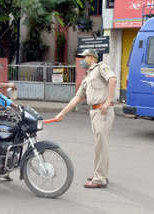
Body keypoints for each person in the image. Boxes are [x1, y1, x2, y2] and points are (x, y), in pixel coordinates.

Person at [54, 49, 117, 188]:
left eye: (84, 57)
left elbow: (112, 79)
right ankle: (100, 174)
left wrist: (108, 101)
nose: (81, 60)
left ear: (92, 58)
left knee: (102, 145)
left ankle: (100, 179)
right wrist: (62, 113)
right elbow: (77, 97)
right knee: (99, 145)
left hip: (103, 111)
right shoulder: (87, 76)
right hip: (94, 112)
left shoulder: (101, 67)